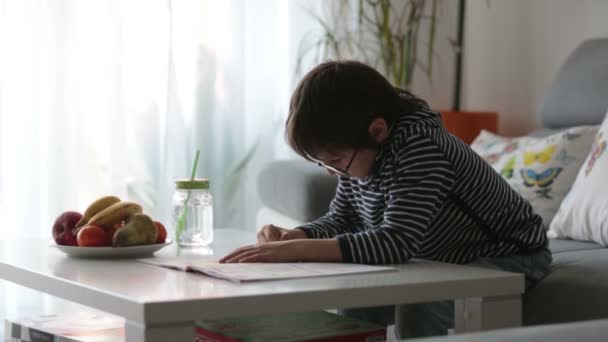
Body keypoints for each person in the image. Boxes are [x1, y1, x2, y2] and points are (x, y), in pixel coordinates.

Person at [220, 60, 552, 338]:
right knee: (356, 298)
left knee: (421, 304)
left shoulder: (422, 148)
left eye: (335, 162)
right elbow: (341, 219)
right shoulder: (361, 157)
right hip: (444, 255)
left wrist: (296, 251)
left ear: (377, 131)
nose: (332, 173)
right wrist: (296, 236)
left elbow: (396, 243)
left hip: (509, 253)